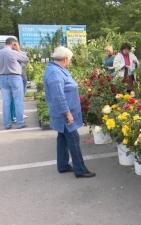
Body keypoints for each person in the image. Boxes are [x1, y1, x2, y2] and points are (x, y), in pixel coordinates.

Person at [43, 46, 95, 178]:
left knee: (62, 138)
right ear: (65, 59)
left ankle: (63, 165)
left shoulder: (57, 69)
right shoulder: (55, 73)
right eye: (69, 60)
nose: (70, 62)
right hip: (64, 114)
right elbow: (58, 96)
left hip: (63, 113)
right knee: (73, 139)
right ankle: (80, 169)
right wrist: (67, 113)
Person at [0, 37, 29, 129]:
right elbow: (26, 59)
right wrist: (19, 49)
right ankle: (20, 123)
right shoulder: (14, 52)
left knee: (6, 102)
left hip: (3, 77)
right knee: (18, 101)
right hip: (15, 77)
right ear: (13, 44)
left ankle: (7, 124)